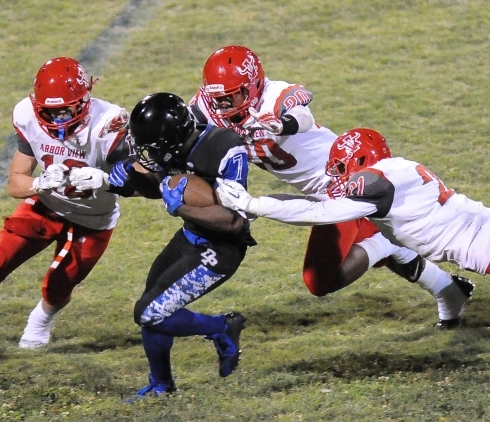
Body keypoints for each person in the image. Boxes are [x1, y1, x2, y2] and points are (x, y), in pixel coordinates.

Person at [188, 45, 473, 326]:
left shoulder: (274, 96)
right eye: (218, 98)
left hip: (348, 183)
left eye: (230, 96)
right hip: (321, 193)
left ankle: (388, 247)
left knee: (320, 279)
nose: (222, 105)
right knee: (366, 249)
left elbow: (302, 116)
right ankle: (448, 291)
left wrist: (279, 124)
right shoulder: (208, 105)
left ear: (254, 85)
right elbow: (184, 123)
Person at [0, 57, 132, 359]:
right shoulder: (26, 115)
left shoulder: (108, 124)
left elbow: (142, 184)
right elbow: (14, 182)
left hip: (93, 217)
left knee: (61, 284)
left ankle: (39, 322)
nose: (58, 119)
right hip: (45, 204)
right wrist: (39, 184)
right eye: (50, 111)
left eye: (65, 109)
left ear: (86, 100)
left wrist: (104, 179)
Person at [108, 92, 256, 398]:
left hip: (220, 249)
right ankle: (162, 384)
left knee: (150, 312)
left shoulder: (225, 149)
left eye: (151, 147)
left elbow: (235, 221)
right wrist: (132, 180)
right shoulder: (176, 141)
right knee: (152, 309)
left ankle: (221, 327)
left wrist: (182, 208)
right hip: (189, 237)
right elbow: (159, 188)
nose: (145, 153)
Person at [216, 127, 489, 279]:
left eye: (340, 166)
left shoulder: (373, 183)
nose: (337, 175)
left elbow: (320, 211)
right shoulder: (396, 169)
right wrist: (262, 204)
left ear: (358, 161)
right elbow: (312, 202)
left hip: (477, 244)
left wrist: (255, 205)